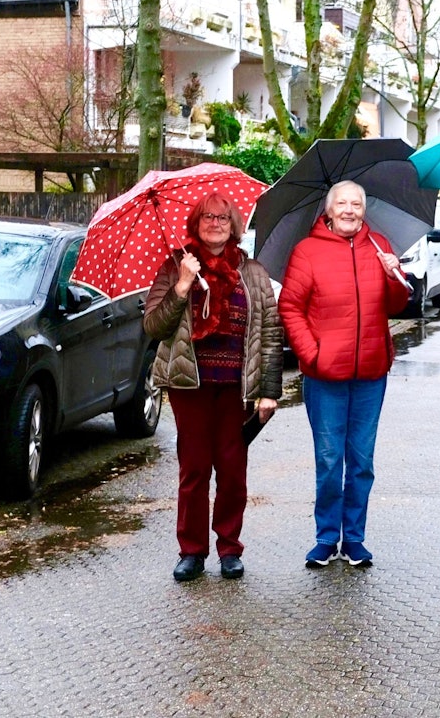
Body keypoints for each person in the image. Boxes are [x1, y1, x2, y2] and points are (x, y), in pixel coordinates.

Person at [143, 192, 283, 583]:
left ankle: (229, 549)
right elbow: (153, 326)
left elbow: (270, 332)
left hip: (237, 388)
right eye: (207, 217)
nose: (215, 224)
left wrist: (269, 390)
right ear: (195, 223)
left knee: (233, 470)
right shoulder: (175, 267)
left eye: (223, 218)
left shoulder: (252, 272)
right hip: (190, 385)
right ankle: (191, 551)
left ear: (234, 225)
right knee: (194, 470)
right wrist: (183, 287)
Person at [278, 180, 411, 568]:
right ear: (329, 209)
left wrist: (393, 274)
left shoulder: (379, 246)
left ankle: (354, 539)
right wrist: (312, 354)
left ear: (364, 210)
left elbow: (398, 303)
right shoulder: (307, 251)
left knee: (361, 460)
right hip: (324, 377)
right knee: (329, 458)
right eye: (342, 203)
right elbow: (290, 307)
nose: (350, 210)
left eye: (356, 203)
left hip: (371, 372)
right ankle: (325, 538)